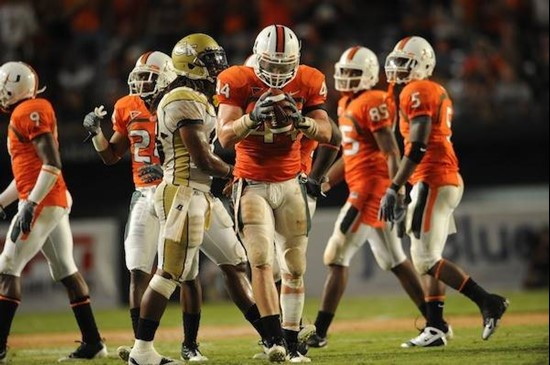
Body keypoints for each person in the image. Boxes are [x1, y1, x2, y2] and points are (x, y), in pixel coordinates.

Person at [127, 33, 256, 365]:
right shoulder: (182, 95)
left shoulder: (198, 96)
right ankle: (142, 351)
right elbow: (202, 159)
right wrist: (235, 173)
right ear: (189, 62)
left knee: (235, 262)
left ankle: (271, 336)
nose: (218, 66)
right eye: (210, 60)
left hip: (200, 193)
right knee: (170, 272)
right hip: (183, 191)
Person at [216, 24, 340, 362]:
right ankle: (273, 341)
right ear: (257, 57)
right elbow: (224, 137)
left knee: (295, 267)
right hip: (251, 183)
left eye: (285, 66)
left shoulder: (310, 80)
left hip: (290, 184)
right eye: (270, 65)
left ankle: (291, 341)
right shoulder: (237, 79)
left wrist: (303, 122)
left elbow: (329, 132)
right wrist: (251, 118)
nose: (277, 73)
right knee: (259, 261)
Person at [306, 46, 443, 348]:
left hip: (370, 190)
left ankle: (319, 332)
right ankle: (436, 324)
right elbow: (351, 155)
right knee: (395, 260)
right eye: (344, 71)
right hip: (366, 186)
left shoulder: (371, 101)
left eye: (353, 72)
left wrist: (398, 188)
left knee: (336, 255)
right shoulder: (346, 104)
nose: (346, 77)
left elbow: (391, 151)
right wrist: (324, 183)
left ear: (368, 75)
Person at [379, 36, 509, 347]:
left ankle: (488, 301)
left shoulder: (418, 89)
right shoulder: (426, 89)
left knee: (423, 259)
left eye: (404, 62)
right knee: (426, 255)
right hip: (438, 178)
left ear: (422, 63)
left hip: (433, 178)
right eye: (395, 62)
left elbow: (420, 145)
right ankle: (435, 326)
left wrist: (394, 186)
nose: (397, 68)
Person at [0, 61, 106, 362]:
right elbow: (26, 176)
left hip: (43, 201)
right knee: (65, 270)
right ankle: (93, 343)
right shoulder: (21, 115)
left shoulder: (28, 111)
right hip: (46, 198)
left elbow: (52, 163)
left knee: (7, 266)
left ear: (13, 84)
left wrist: (30, 204)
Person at [83, 50, 170, 358]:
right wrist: (96, 133)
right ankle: (140, 346)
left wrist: (167, 169)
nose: (141, 83)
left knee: (185, 274)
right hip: (143, 194)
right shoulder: (126, 106)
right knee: (137, 270)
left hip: (176, 192)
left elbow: (195, 152)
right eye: (139, 77)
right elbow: (110, 156)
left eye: (149, 78)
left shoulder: (178, 104)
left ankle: (191, 343)